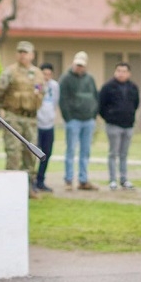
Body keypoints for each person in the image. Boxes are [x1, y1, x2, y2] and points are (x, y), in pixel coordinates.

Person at [0, 41, 44, 198]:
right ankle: (11, 190)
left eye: (26, 52)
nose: (23, 55)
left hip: (31, 118)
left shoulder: (37, 73)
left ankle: (29, 188)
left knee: (30, 154)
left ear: (32, 55)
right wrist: (6, 110)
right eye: (20, 52)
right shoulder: (9, 72)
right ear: (17, 54)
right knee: (13, 152)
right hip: (13, 117)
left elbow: (41, 93)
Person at [59, 50, 99, 190]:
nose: (79, 67)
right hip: (73, 120)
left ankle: (83, 180)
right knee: (71, 150)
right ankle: (68, 180)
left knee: (85, 151)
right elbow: (62, 100)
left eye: (81, 65)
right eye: (77, 65)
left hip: (88, 120)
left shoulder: (90, 79)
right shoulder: (66, 79)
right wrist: (68, 118)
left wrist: (93, 115)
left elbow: (95, 96)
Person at [98, 62, 140, 190]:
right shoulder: (108, 87)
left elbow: (136, 103)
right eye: (119, 71)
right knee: (113, 153)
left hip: (128, 125)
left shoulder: (133, 87)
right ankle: (112, 180)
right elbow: (101, 105)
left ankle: (124, 178)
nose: (121, 74)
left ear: (129, 73)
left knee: (124, 153)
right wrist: (110, 117)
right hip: (113, 125)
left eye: (124, 71)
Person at [35, 62, 59, 192]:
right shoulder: (36, 85)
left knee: (47, 153)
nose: (47, 76)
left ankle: (41, 180)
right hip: (37, 123)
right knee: (34, 153)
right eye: (44, 74)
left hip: (49, 124)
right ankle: (32, 180)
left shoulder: (55, 86)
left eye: (49, 74)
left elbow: (55, 102)